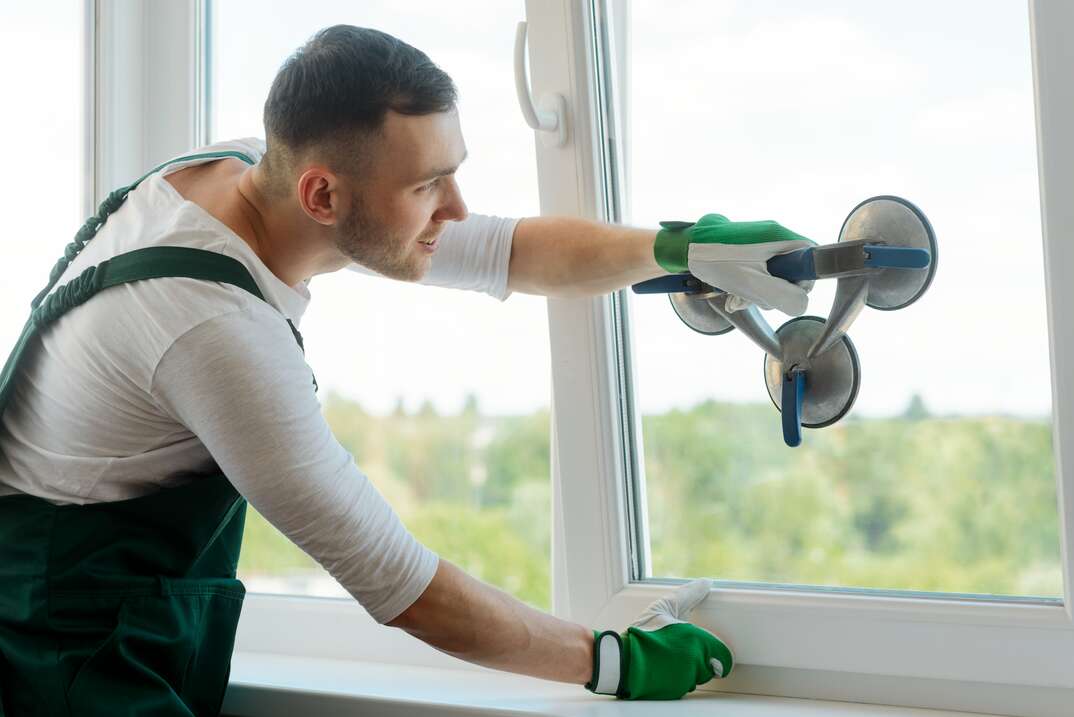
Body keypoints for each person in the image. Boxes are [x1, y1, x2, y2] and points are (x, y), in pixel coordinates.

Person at [0, 24, 813, 714]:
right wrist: (611, 660)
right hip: (67, 651)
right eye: (429, 184)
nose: (454, 206)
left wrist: (674, 249)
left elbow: (497, 247)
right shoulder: (216, 332)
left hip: (93, 599)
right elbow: (404, 585)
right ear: (322, 195)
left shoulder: (244, 171)